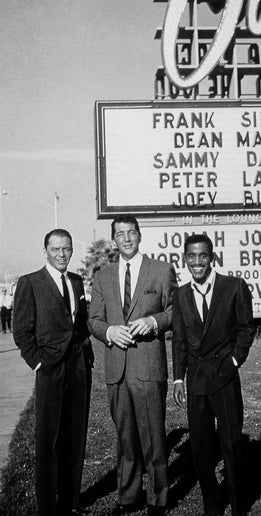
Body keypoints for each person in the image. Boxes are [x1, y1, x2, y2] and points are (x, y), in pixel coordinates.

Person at [89, 215, 177, 516]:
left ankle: (159, 497)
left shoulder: (161, 270)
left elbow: (175, 311)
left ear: (139, 235)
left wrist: (153, 321)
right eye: (120, 233)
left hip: (148, 366)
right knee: (125, 436)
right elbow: (94, 320)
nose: (126, 238)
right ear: (114, 238)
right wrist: (109, 332)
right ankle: (128, 497)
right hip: (117, 368)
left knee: (153, 435)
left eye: (131, 232)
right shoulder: (102, 276)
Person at [172, 234, 256, 516]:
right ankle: (212, 502)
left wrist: (234, 360)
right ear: (185, 258)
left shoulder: (233, 287)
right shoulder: (180, 294)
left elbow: (247, 328)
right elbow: (180, 341)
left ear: (212, 257)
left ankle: (237, 501)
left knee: (231, 443)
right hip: (196, 381)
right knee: (201, 446)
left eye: (203, 256)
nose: (197, 262)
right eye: (192, 256)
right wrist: (178, 378)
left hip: (225, 377)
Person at [13, 229, 93, 516]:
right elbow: (22, 331)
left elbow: (79, 323)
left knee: (75, 435)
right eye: (56, 249)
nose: (61, 254)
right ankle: (49, 506)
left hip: (78, 368)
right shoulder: (30, 282)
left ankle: (71, 502)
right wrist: (37, 362)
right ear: (45, 250)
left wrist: (85, 354)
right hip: (49, 370)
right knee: (49, 439)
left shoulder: (76, 280)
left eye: (67, 249)